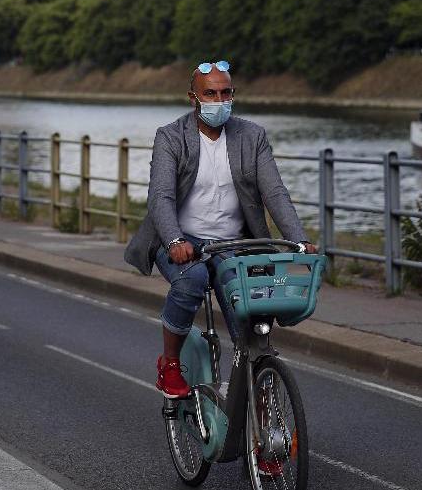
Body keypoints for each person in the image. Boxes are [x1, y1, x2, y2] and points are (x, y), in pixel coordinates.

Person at [124, 60, 317, 399]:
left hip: (235, 244)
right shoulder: (170, 137)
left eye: (225, 92)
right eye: (210, 93)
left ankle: (260, 401)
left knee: (252, 322)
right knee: (192, 282)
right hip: (185, 240)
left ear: (233, 94)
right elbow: (161, 196)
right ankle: (170, 363)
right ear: (193, 98)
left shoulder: (252, 136)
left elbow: (274, 192)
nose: (219, 100)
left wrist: (298, 239)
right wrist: (173, 240)